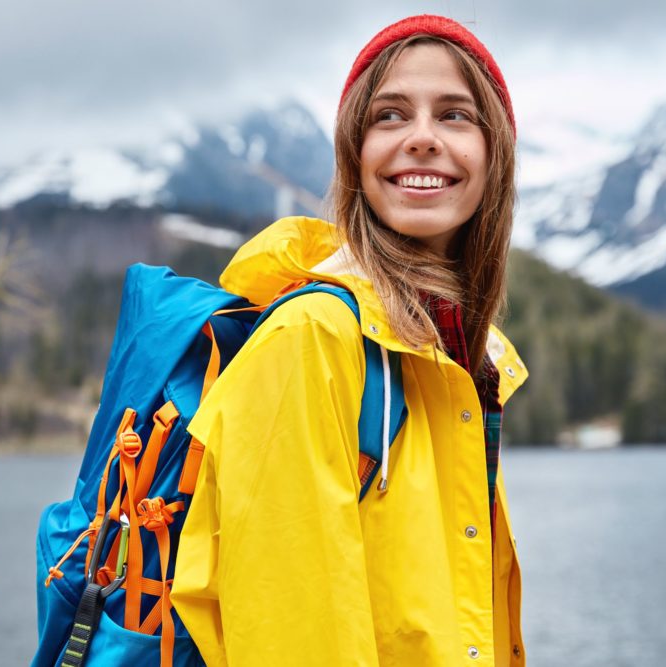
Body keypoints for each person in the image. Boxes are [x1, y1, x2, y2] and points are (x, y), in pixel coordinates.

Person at [171, 14, 529, 667]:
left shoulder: (463, 361)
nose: (422, 138)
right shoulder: (309, 339)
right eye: (390, 116)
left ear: (495, 155)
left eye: (454, 115)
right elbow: (293, 640)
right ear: (354, 156)